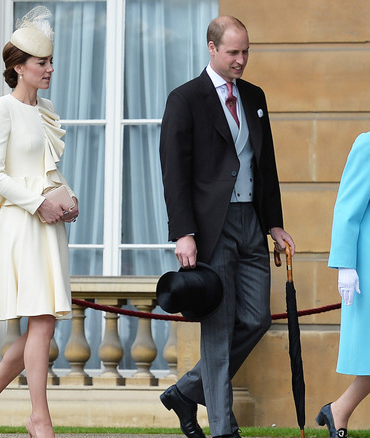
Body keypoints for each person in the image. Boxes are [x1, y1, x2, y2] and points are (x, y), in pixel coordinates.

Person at [158, 16, 295, 438]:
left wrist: (274, 224)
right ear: (212, 48)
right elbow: (173, 171)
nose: (241, 60)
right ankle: (222, 429)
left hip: (251, 223)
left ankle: (187, 391)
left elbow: (263, 164)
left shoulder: (254, 96)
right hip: (209, 229)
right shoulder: (186, 99)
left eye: (246, 51)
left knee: (256, 319)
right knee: (217, 330)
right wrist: (184, 232)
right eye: (233, 52)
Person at [0, 7, 77, 438]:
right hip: (21, 224)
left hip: (49, 225)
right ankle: (39, 416)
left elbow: (46, 167)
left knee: (40, 322)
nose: (49, 69)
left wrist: (67, 198)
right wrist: (38, 204)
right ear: (17, 67)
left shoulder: (44, 108)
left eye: (49, 62)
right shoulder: (0, 108)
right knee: (42, 321)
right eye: (40, 63)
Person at [315, 132, 370, 438]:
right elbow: (347, 208)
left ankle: (338, 411)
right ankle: (338, 411)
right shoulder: (368, 144)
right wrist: (345, 264)